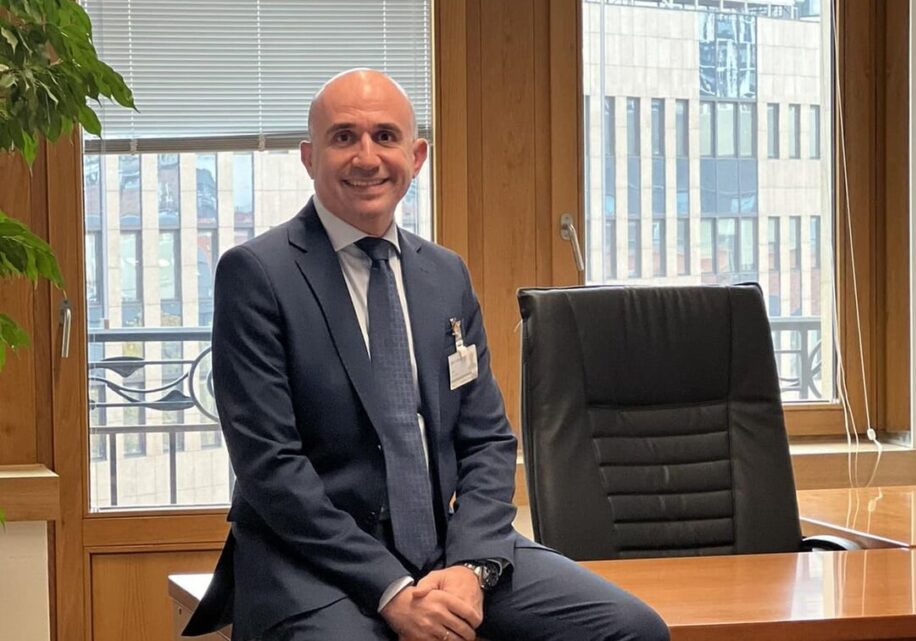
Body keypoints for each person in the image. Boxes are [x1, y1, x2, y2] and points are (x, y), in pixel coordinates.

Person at [183, 68, 669, 641]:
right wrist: (390, 588)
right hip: (315, 564)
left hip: (446, 550)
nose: (367, 157)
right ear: (309, 157)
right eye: (344, 137)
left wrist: (471, 566)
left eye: (385, 137)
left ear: (416, 157)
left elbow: (487, 440)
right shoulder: (257, 274)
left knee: (631, 629)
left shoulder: (444, 274)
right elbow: (270, 466)